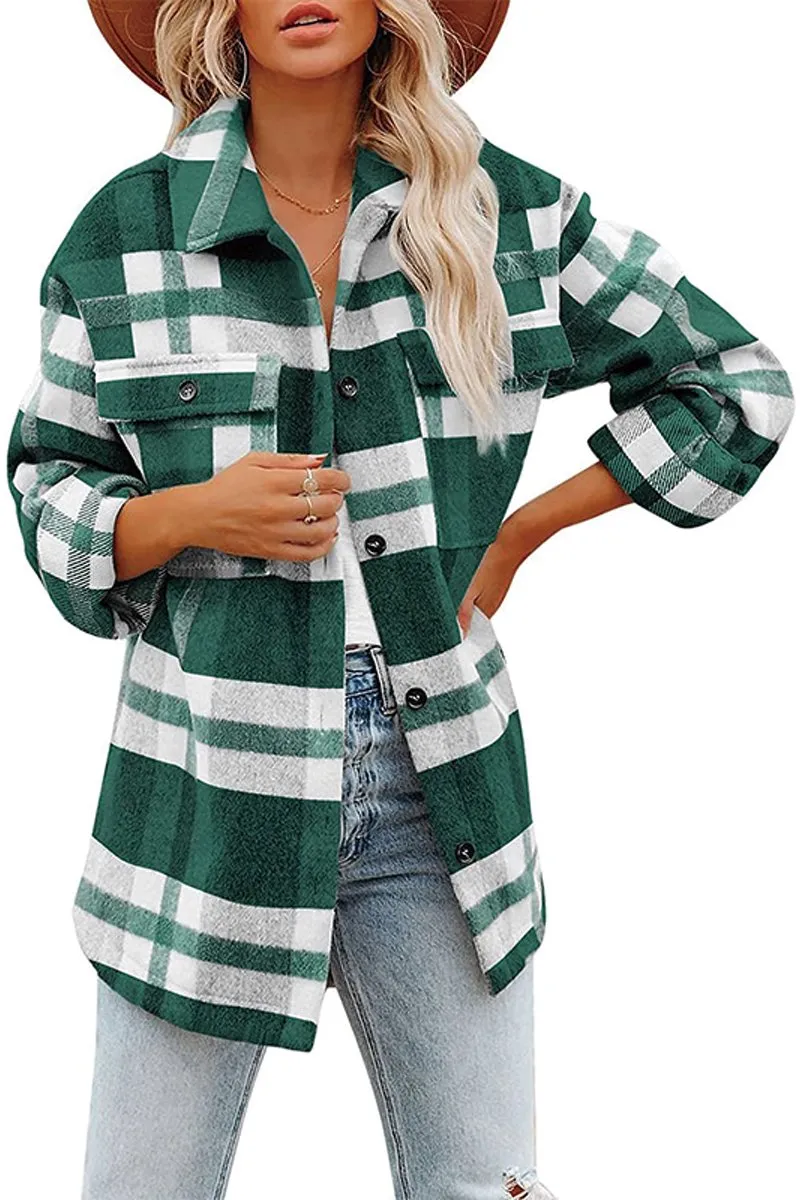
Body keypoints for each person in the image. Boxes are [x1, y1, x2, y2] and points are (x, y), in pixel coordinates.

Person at [6, 2, 794, 1197]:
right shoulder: (126, 232)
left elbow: (735, 383)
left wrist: (519, 532)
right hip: (202, 786)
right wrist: (189, 513)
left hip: (440, 784)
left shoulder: (504, 214)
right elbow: (47, 485)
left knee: (482, 1186)